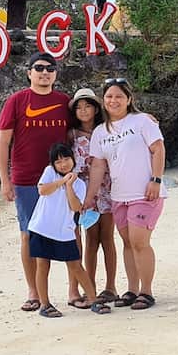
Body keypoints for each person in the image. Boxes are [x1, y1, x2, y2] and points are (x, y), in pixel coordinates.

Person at [0, 52, 71, 312]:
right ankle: (34, 291)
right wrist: (5, 181)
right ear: (29, 72)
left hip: (60, 180)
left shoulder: (64, 102)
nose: (44, 72)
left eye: (50, 68)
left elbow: (88, 123)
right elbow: (3, 142)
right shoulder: (16, 101)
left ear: (55, 74)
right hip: (26, 179)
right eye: (38, 67)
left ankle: (74, 290)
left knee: (68, 233)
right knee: (29, 235)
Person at [83, 78, 166, 311]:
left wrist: (156, 180)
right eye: (109, 96)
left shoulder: (141, 121)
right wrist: (90, 197)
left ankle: (146, 291)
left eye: (119, 96)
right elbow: (98, 166)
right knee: (128, 243)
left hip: (145, 192)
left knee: (140, 242)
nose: (114, 100)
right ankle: (132, 289)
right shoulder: (100, 132)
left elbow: (158, 149)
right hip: (119, 195)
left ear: (129, 99)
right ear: (103, 100)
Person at [28, 143, 112, 318]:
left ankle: (93, 300)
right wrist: (62, 181)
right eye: (58, 162)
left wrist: (69, 187)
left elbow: (75, 207)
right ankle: (45, 304)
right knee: (42, 265)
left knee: (75, 265)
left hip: (64, 231)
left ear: (73, 160)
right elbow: (43, 190)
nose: (63, 164)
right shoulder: (49, 172)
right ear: (53, 164)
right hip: (42, 228)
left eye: (66, 159)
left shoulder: (79, 184)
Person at [68, 87, 119, 305]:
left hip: (106, 187)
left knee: (107, 237)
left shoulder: (107, 129)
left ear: (96, 108)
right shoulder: (71, 134)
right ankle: (90, 286)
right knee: (90, 240)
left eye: (88, 105)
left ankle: (111, 286)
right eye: (79, 107)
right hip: (83, 191)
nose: (83, 110)